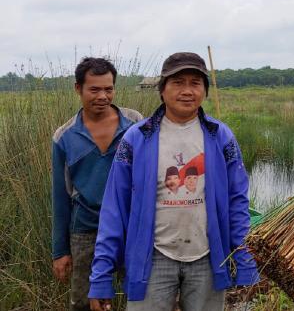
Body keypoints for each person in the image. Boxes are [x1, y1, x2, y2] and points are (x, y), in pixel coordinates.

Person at [88, 52, 259, 311]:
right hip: (152, 258)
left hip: (207, 257)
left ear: (205, 90)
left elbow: (237, 202)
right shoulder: (137, 138)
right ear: (162, 90)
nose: (187, 91)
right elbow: (115, 209)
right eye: (178, 82)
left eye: (195, 83)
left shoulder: (221, 137)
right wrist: (101, 276)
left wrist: (245, 259)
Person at [52, 57, 143, 311]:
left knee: (141, 295)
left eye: (108, 89)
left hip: (131, 227)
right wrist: (60, 251)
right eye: (94, 89)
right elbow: (60, 196)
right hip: (86, 229)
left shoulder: (135, 124)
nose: (103, 96)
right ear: (78, 88)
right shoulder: (64, 137)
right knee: (85, 302)